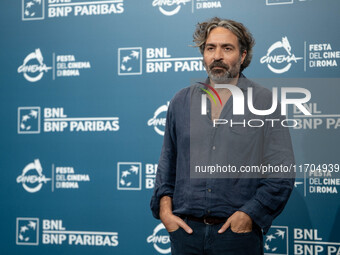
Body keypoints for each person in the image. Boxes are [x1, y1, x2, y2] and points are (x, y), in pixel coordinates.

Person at [150, 17, 295, 255]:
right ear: (203, 54)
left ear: (242, 55)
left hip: (236, 237)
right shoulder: (181, 102)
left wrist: (248, 215)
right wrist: (165, 212)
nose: (217, 55)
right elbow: (167, 165)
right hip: (186, 235)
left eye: (227, 48)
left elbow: (282, 173)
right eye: (210, 48)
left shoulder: (263, 102)